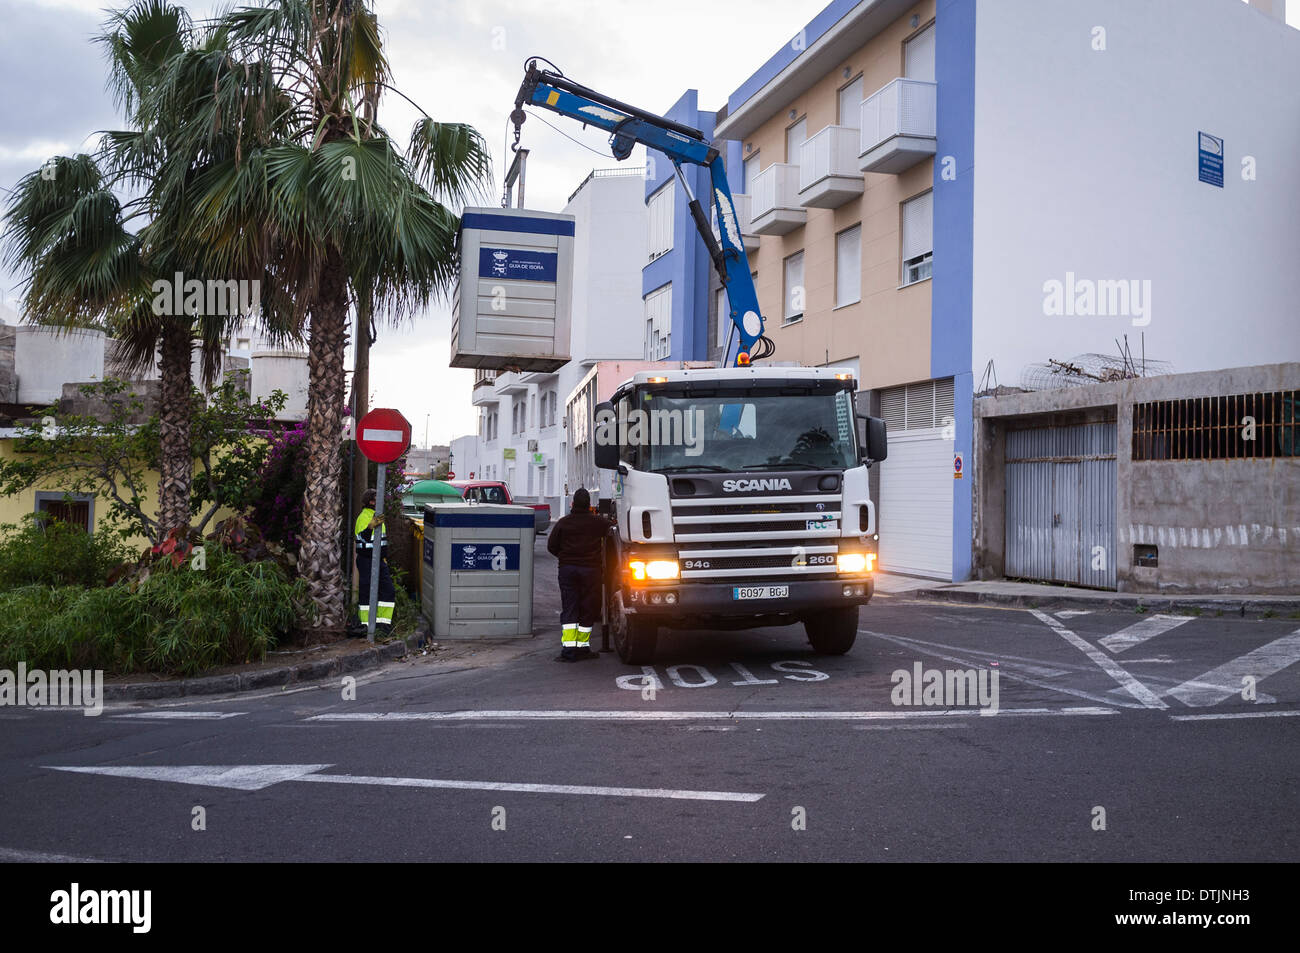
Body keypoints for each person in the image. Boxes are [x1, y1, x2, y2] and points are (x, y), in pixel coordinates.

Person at [546, 487, 608, 662]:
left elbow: (551, 546)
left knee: (570, 607)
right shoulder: (598, 523)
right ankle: (583, 648)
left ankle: (568, 651)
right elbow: (614, 533)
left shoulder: (563, 523)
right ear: (589, 505)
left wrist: (566, 557)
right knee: (588, 608)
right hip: (591, 570)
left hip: (568, 570)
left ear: (572, 504)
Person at [354, 488, 395, 633]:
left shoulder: (378, 516)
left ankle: (383, 625)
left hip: (379, 561)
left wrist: (383, 558)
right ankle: (366, 625)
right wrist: (370, 526)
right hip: (366, 560)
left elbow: (381, 542)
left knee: (388, 590)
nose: (381, 501)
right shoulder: (364, 517)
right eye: (377, 498)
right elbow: (361, 539)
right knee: (366, 592)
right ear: (371, 501)